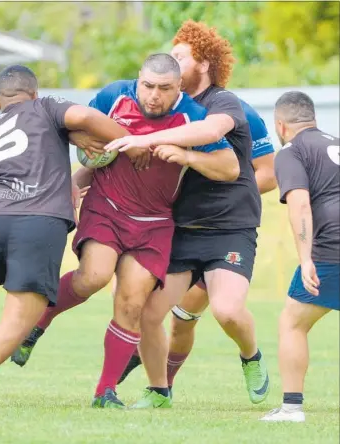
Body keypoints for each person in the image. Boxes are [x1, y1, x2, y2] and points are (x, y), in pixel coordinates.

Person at [11, 54, 235, 409]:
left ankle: (105, 392)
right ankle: (41, 319)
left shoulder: (192, 117)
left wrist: (188, 156)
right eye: (147, 85)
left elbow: (230, 167)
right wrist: (82, 149)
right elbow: (71, 127)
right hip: (107, 207)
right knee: (93, 277)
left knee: (132, 303)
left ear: (179, 87)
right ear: (138, 79)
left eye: (164, 89)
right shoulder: (114, 96)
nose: (153, 96)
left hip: (155, 223)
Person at [0, 64, 131, 407]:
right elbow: (83, 116)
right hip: (38, 221)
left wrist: (65, 139)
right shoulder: (46, 107)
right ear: (33, 93)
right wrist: (127, 139)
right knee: (22, 314)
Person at [106, 21, 270, 408]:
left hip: (229, 228)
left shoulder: (223, 102)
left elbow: (212, 131)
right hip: (180, 229)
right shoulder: (164, 105)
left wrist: (159, 143)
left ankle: (251, 356)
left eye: (181, 56)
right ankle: (159, 391)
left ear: (205, 63)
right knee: (148, 313)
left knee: (228, 312)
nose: (172, 62)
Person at [260, 92, 339, 422]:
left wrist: (306, 259)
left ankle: (292, 408)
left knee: (292, 321)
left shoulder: (291, 151)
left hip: (331, 249)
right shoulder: (335, 142)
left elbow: (300, 204)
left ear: (280, 125)